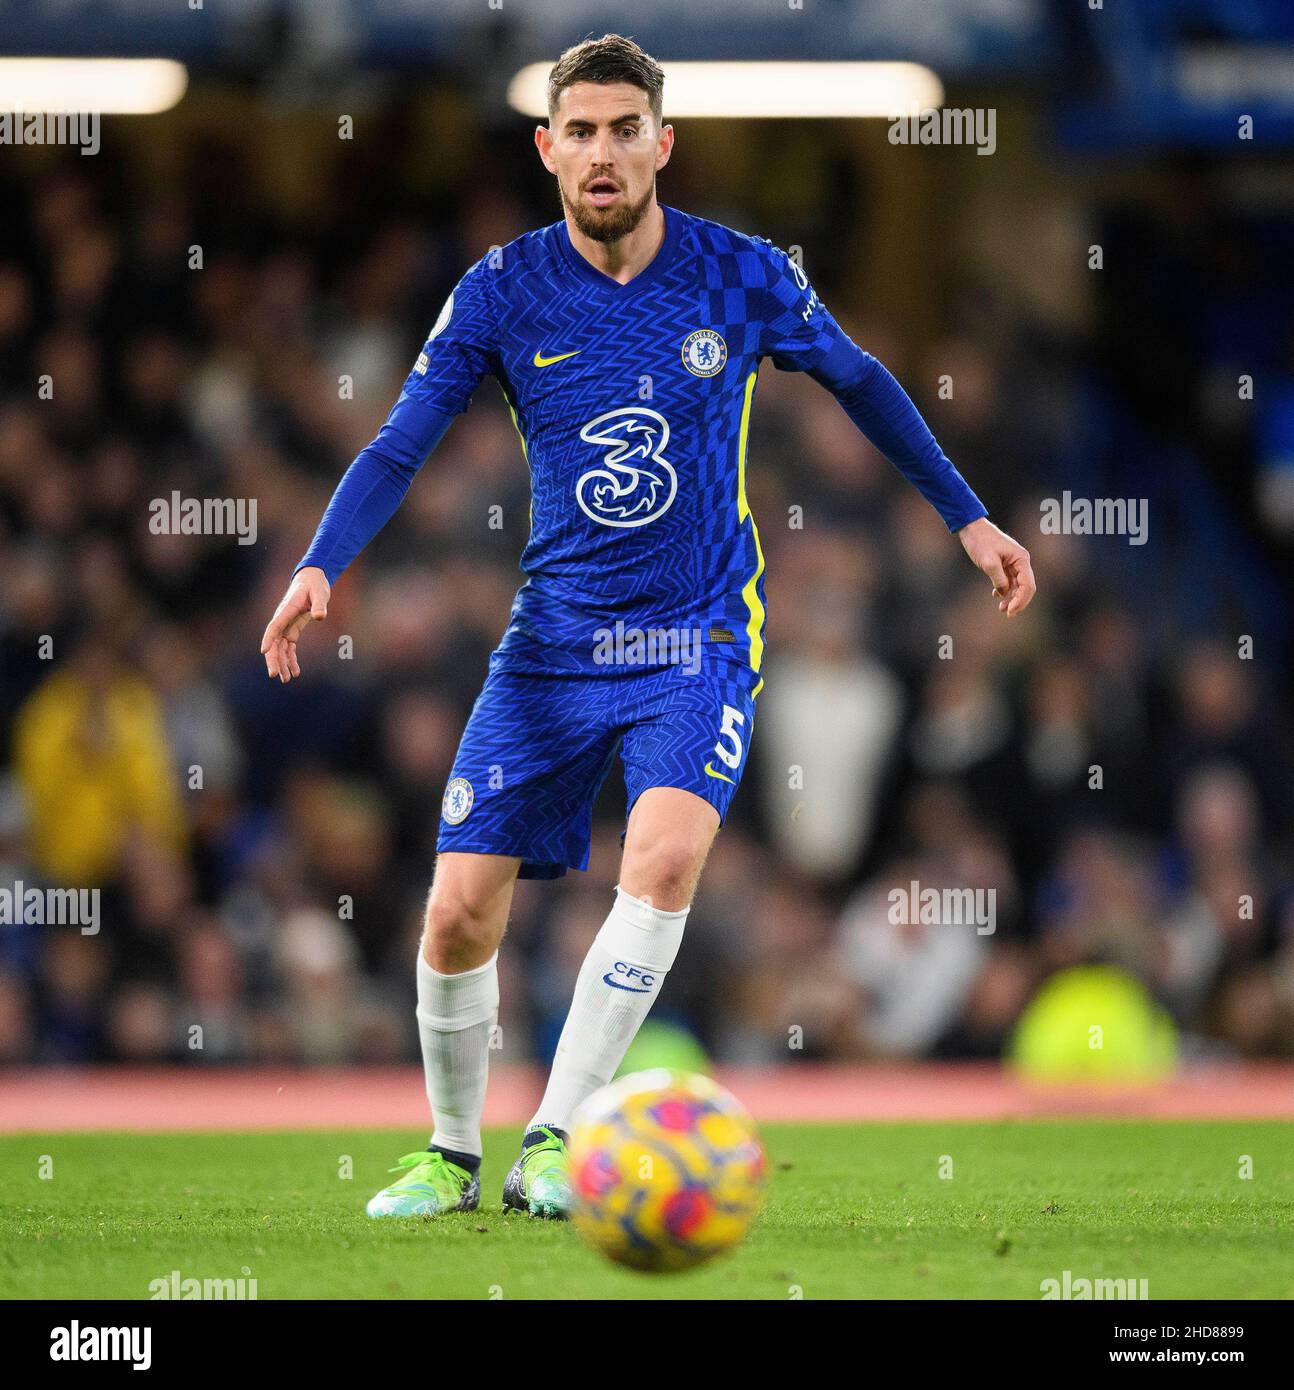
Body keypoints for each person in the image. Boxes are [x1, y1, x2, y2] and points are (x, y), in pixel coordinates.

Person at [259, 33, 1035, 1220]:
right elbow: (399, 440)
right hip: (554, 640)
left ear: (662, 145)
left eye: (627, 129)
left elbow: (866, 381)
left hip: (696, 634)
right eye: (581, 131)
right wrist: (323, 563)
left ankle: (558, 1137)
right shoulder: (501, 289)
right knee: (461, 906)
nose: (604, 152)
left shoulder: (741, 275)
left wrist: (969, 519)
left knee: (662, 857)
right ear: (547, 149)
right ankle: (453, 1152)